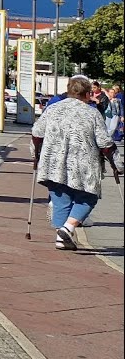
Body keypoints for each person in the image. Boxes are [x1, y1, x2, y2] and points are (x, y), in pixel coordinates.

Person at [31, 75, 116, 250]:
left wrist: (36, 156)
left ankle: (61, 238)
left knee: (61, 199)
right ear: (87, 94)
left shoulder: (53, 109)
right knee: (89, 197)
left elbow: (37, 134)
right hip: (83, 165)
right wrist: (117, 165)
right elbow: (105, 143)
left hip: (53, 164)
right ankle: (67, 229)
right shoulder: (92, 113)